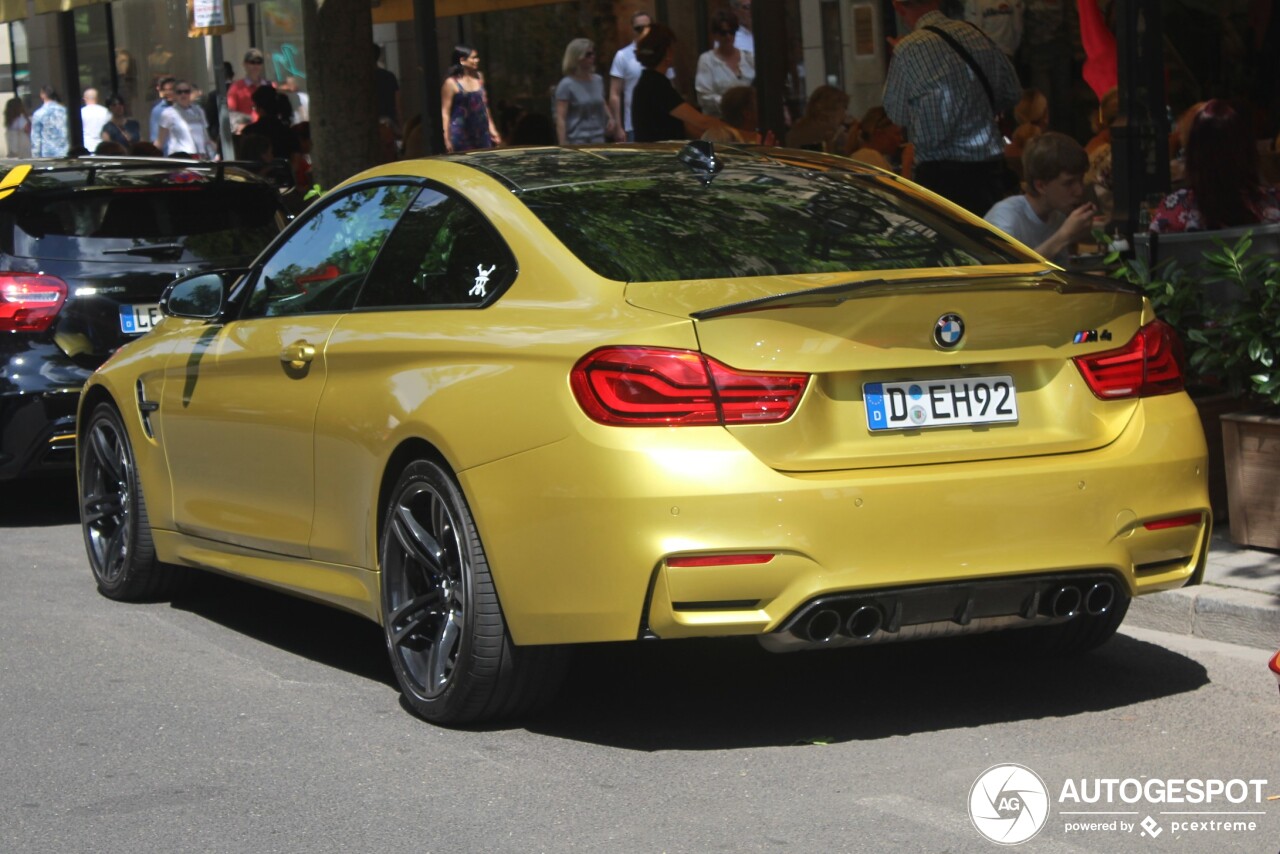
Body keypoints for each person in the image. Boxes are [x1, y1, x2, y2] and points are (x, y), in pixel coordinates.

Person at [882, 0, 1021, 216]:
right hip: (987, 172)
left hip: (939, 176)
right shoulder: (976, 35)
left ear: (899, 8)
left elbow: (897, 113)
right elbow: (1012, 91)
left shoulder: (907, 49)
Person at [1149, 100, 1280, 234]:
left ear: (1192, 157)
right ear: (1246, 152)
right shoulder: (1273, 204)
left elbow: (1152, 252)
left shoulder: (1173, 210)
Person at [984, 131, 1095, 263]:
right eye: (1069, 183)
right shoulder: (1006, 217)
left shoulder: (1057, 217)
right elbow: (1005, 275)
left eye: (1080, 180)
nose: (1079, 191)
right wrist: (1064, 236)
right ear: (1041, 186)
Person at [631, 23, 724, 142]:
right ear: (667, 52)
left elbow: (686, 126)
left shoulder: (650, 81)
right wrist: (739, 133)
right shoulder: (656, 85)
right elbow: (701, 121)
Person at [695, 9, 755, 118]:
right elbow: (704, 97)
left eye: (732, 32)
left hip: (747, 121)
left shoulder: (748, 58)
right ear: (715, 35)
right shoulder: (707, 60)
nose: (728, 37)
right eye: (723, 33)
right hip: (719, 121)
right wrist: (733, 104)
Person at [442, 45, 502, 153]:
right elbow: (445, 112)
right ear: (462, 61)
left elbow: (484, 105)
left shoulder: (479, 77)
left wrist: (492, 128)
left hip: (481, 130)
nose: (477, 60)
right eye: (473, 57)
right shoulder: (451, 83)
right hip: (461, 132)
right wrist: (446, 137)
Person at [609, 10, 655, 142]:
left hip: (659, 121)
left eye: (647, 27)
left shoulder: (660, 54)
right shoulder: (623, 55)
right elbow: (615, 93)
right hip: (634, 125)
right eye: (638, 28)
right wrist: (618, 126)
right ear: (632, 30)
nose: (643, 31)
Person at [555, 39, 612, 144]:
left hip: (598, 138)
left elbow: (601, 101)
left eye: (593, 53)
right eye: (588, 54)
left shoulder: (598, 80)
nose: (592, 56)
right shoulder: (566, 84)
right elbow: (561, 118)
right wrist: (563, 144)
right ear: (577, 57)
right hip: (577, 140)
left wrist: (610, 118)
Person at [155, 80, 214, 158]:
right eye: (179, 92)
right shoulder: (168, 113)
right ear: (175, 94)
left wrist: (214, 153)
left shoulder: (199, 111)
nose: (183, 94)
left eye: (186, 91)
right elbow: (160, 141)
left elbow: (206, 137)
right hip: (180, 158)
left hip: (200, 157)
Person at [785, 85, 851, 152]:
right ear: (830, 109)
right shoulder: (832, 135)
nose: (845, 115)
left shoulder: (795, 131)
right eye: (844, 108)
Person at [701, 85, 768, 144]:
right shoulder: (721, 137)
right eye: (759, 106)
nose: (764, 109)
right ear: (747, 114)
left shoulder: (762, 138)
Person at [848, 106, 905, 171]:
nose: (901, 139)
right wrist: (907, 163)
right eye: (897, 134)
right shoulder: (871, 157)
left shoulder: (867, 155)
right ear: (879, 134)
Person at [227, 49, 272, 124]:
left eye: (259, 62)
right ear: (244, 64)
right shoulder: (236, 88)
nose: (255, 66)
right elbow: (231, 113)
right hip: (247, 131)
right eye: (252, 62)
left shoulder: (270, 86)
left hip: (267, 130)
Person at [374, 43, 403, 140]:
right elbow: (397, 105)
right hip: (389, 123)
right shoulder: (389, 76)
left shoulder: (361, 79)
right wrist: (400, 125)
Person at [30, 86, 69, 158]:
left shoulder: (39, 113)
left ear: (42, 95)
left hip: (48, 154)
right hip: (65, 152)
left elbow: (36, 138)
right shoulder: (65, 111)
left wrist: (36, 156)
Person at [149, 77, 175, 144]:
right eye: (166, 90)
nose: (169, 92)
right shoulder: (158, 110)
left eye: (172, 89)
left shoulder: (186, 108)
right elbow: (155, 137)